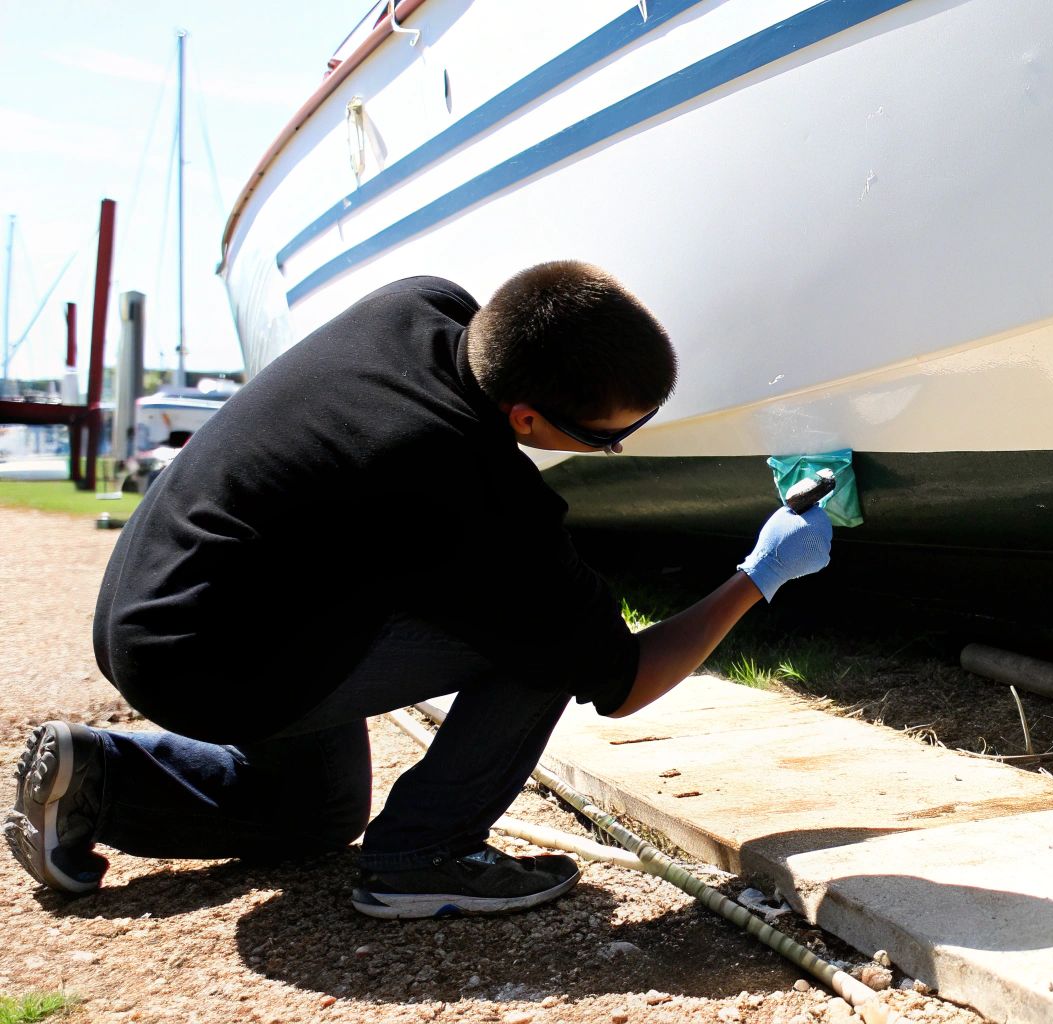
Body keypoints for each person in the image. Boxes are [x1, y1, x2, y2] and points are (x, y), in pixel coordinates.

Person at [3, 263, 832, 920]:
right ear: (524, 419)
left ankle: (103, 776)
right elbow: (623, 681)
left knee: (319, 815)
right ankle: (423, 858)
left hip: (167, 596)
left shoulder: (421, 305)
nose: (618, 450)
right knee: (551, 639)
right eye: (606, 440)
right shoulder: (475, 492)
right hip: (215, 655)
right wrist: (756, 577)